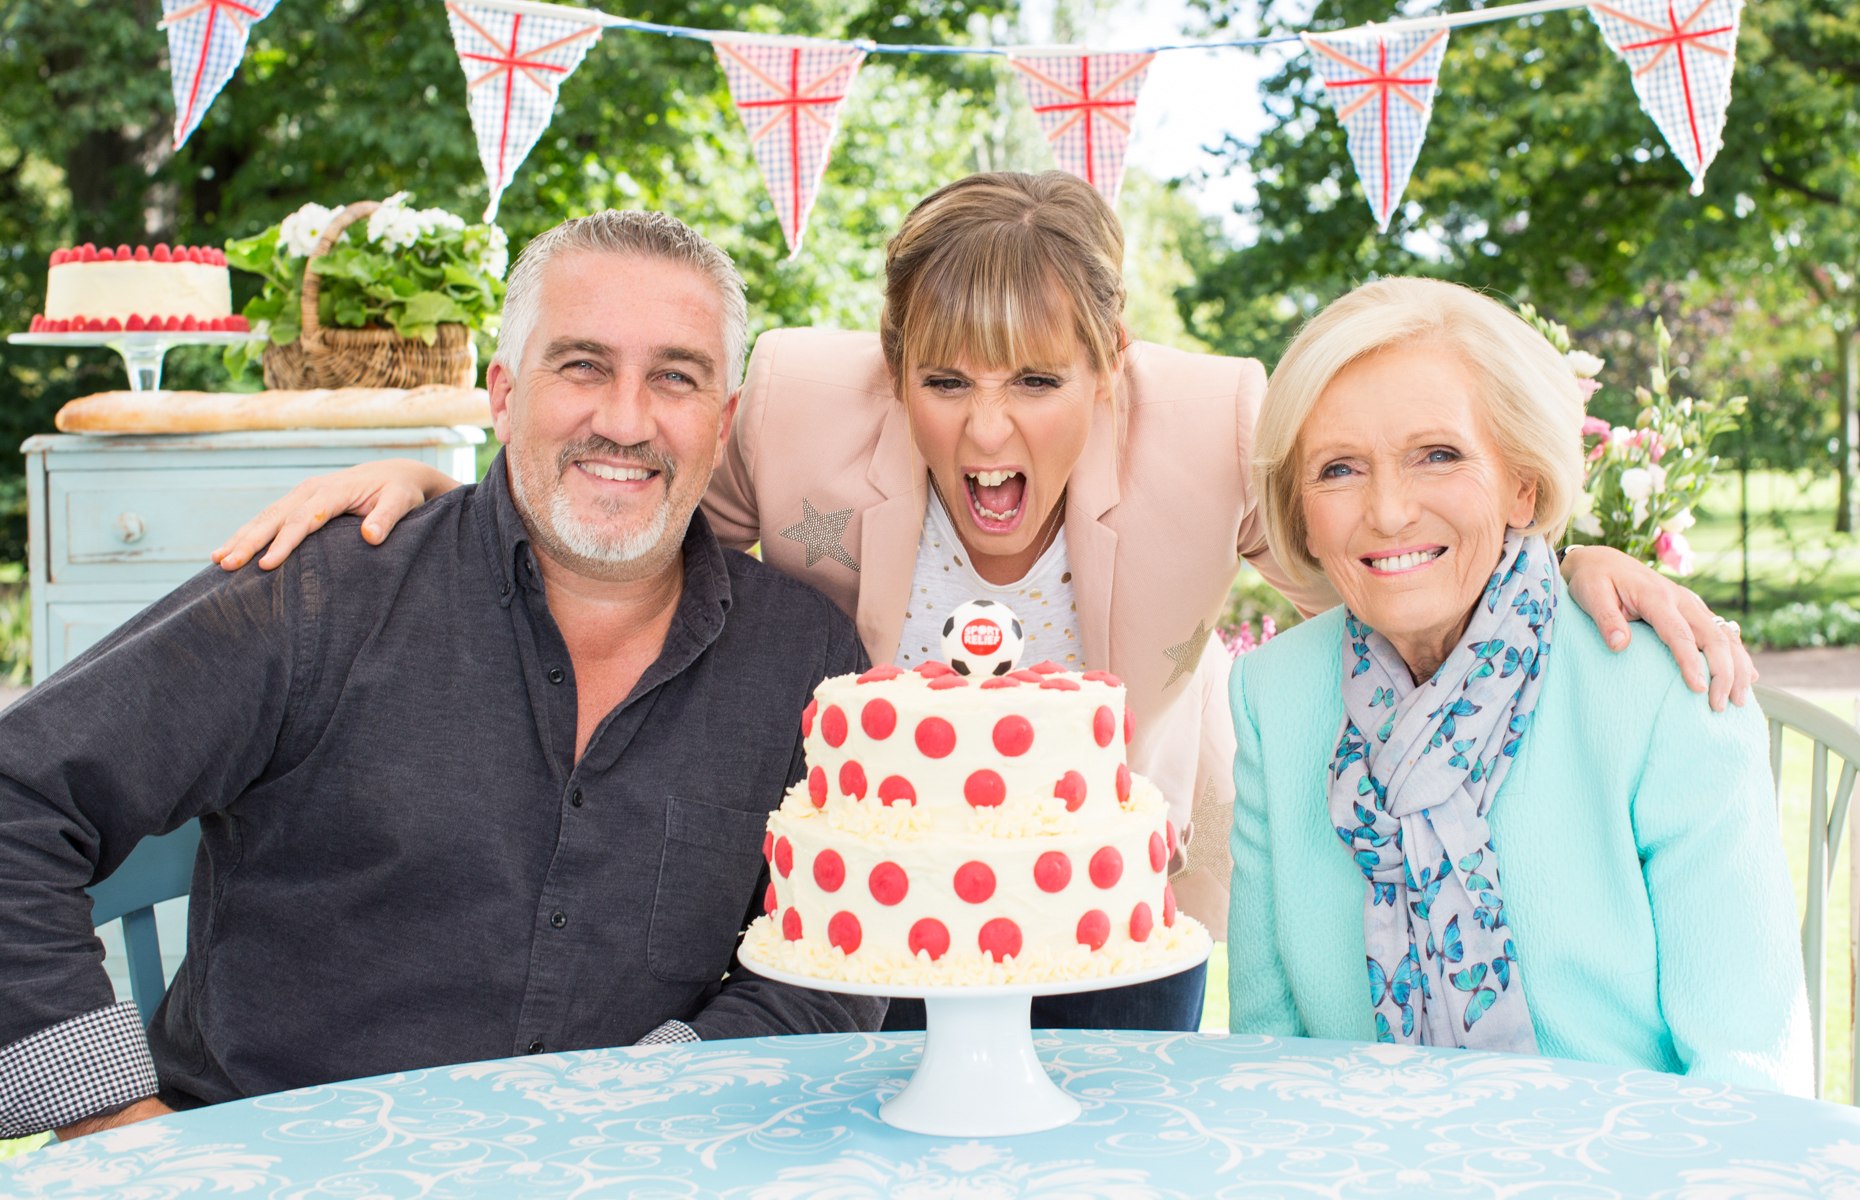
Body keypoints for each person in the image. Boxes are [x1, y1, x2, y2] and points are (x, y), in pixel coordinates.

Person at [211, 173, 1755, 1033]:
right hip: (861, 927)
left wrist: (1576, 559)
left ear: (1116, 369)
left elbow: (1392, 502)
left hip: (1115, 910)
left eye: (1039, 379)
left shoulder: (1218, 418)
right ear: (893, 373)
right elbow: (612, 479)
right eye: (945, 381)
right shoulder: (801, 407)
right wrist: (426, 486)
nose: (988, 431)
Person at [0, 210, 883, 1143]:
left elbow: (829, 965)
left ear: (724, 420)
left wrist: (642, 1099)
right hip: (274, 1166)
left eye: (675, 377)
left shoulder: (804, 662)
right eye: (582, 365)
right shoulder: (322, 592)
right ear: (502, 394)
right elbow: (18, 794)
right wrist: (107, 1117)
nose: (625, 420)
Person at [1226, 277, 1810, 1094]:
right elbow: (1268, 1060)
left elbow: (1747, 1074)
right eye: (1339, 469)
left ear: (1522, 485)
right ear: (1301, 513)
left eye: (1439, 455)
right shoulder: (1272, 697)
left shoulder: (1666, 690)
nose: (1389, 511)